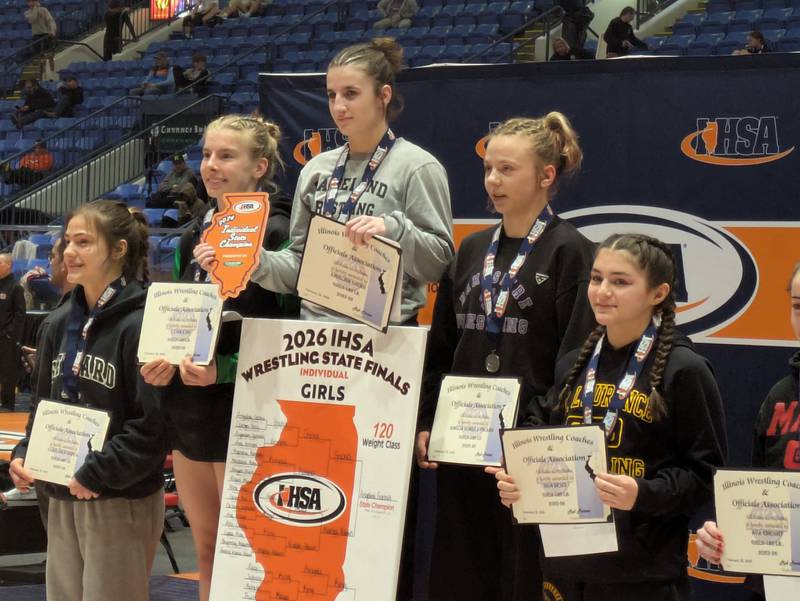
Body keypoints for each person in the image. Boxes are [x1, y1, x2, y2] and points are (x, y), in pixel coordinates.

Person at [192, 38, 454, 601]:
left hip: (382, 350)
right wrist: (251, 262)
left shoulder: (416, 167)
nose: (338, 106)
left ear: (384, 96)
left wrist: (395, 232)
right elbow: (298, 266)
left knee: (373, 511)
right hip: (314, 350)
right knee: (311, 499)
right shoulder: (316, 171)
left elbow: (441, 258)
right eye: (332, 94)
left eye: (351, 94)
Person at [416, 113, 596, 601]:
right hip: (462, 443)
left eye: (507, 169)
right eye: (489, 169)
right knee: (460, 570)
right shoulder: (472, 249)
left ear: (546, 175)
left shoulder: (571, 253)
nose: (492, 181)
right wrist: (428, 419)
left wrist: (532, 434)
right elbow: (443, 348)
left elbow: (575, 361)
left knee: (518, 577)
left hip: (526, 454)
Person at [491, 233, 728, 601]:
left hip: (642, 575)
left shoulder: (684, 370)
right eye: (597, 278)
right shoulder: (574, 364)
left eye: (620, 282)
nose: (602, 291)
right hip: (565, 566)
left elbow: (703, 475)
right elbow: (546, 444)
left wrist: (642, 493)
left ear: (658, 293)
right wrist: (519, 479)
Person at [140, 114, 296, 601]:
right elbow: (190, 317)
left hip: (251, 408)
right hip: (193, 409)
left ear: (260, 166)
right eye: (207, 155)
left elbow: (291, 336)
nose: (210, 165)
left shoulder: (279, 233)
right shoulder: (193, 236)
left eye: (226, 156)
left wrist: (224, 369)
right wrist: (162, 360)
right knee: (206, 546)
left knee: (251, 549)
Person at [8, 201, 167, 601]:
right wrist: (26, 453)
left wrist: (97, 472)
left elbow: (155, 425)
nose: (68, 252)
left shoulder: (146, 320)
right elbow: (42, 404)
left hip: (117, 494)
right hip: (61, 492)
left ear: (118, 250)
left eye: (83, 242)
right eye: (66, 242)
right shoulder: (58, 323)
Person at [695, 263, 800, 600]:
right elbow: (761, 497)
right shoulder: (781, 396)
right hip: (781, 585)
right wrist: (729, 538)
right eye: (798, 307)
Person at [0, 254, 25, 412]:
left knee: (8, 371)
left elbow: (20, 314)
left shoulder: (15, 287)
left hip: (7, 337)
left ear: (8, 265)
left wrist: (10, 333)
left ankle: (7, 404)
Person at [24, 0, 57, 75]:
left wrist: (52, 30)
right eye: (29, 1)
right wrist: (36, 8)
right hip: (36, 36)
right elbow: (33, 19)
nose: (31, 3)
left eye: (33, 1)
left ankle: (52, 73)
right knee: (40, 58)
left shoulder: (44, 10)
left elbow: (50, 21)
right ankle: (41, 74)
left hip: (46, 34)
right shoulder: (27, 13)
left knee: (50, 55)